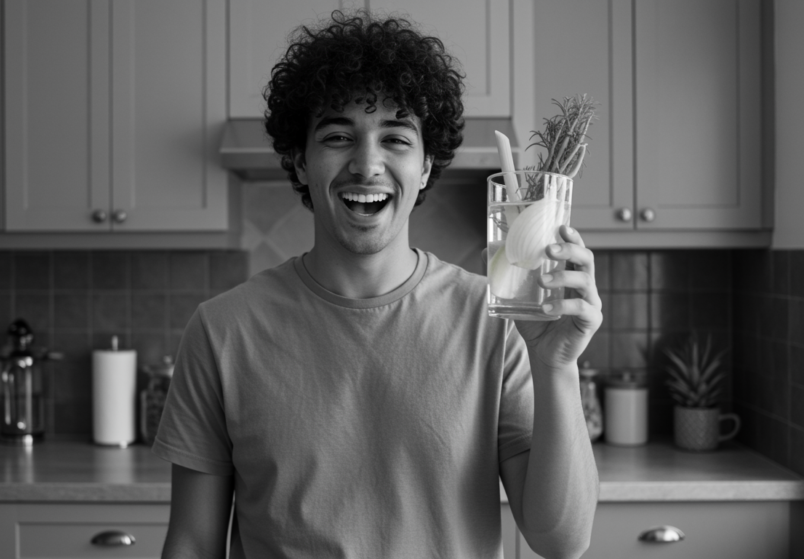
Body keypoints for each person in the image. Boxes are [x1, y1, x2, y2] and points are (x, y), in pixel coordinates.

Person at [154, 10, 601, 559]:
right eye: (338, 136)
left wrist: (556, 365)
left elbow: (562, 541)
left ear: (427, 165)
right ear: (298, 161)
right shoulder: (222, 330)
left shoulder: (498, 322)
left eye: (396, 137)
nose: (367, 165)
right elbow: (193, 544)